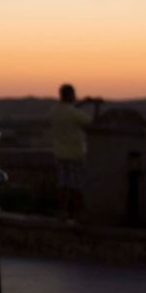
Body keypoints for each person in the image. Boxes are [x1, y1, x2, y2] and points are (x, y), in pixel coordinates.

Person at [49, 84, 100, 225]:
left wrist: (82, 103)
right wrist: (96, 107)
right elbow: (93, 124)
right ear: (70, 95)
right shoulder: (72, 113)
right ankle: (79, 215)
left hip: (59, 155)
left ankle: (62, 213)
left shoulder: (54, 111)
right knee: (76, 187)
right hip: (74, 155)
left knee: (62, 186)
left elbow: (70, 110)